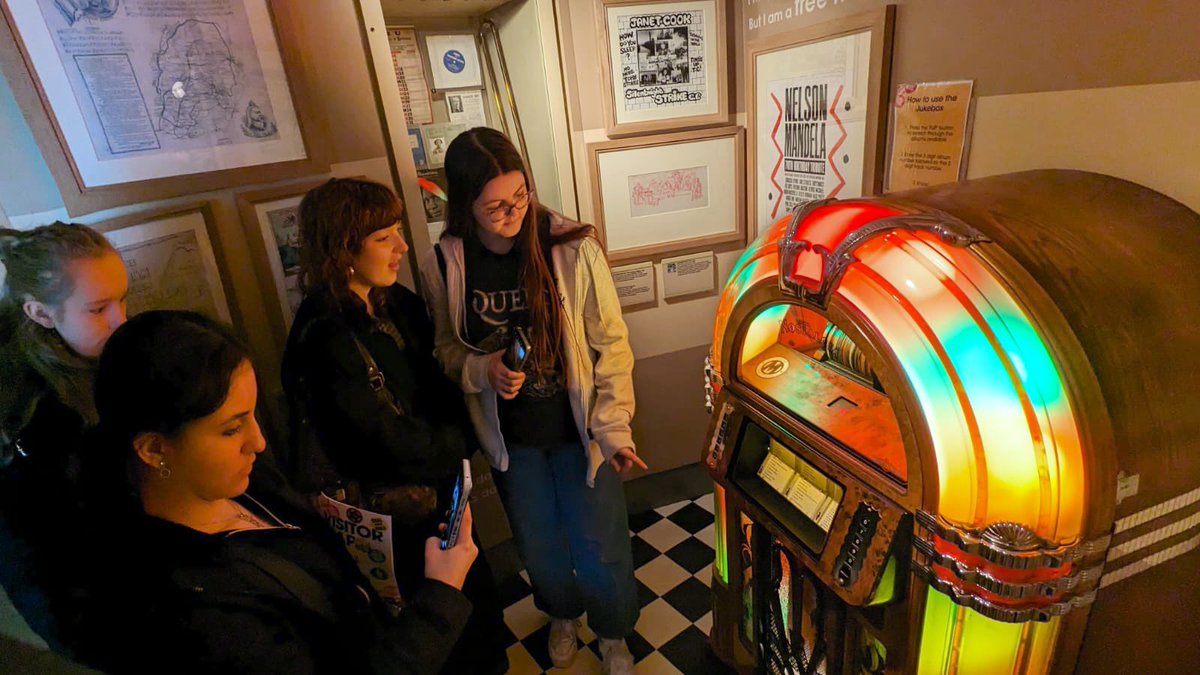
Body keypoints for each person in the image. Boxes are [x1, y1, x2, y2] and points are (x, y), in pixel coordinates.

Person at [80, 310, 479, 674]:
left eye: (252, 415)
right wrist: (440, 598)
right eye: (231, 428)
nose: (257, 441)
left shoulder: (239, 483)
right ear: (153, 448)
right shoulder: (189, 610)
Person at [422, 127, 647, 674]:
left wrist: (614, 427)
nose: (512, 213)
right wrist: (483, 369)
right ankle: (561, 614)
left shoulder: (569, 245)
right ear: (463, 204)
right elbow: (446, 350)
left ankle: (613, 632)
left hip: (578, 430)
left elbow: (610, 342)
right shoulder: (447, 261)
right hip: (513, 440)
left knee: (602, 544)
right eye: (494, 205)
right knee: (540, 544)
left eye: (520, 196)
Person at [280, 177, 508, 674]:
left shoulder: (391, 301)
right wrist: (459, 440)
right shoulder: (324, 337)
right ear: (342, 248)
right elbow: (381, 443)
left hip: (441, 495)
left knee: (475, 614)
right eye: (385, 237)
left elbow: (439, 375)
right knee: (445, 634)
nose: (403, 246)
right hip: (400, 521)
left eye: (398, 231)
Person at [0, 222, 128, 653]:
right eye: (98, 309)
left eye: (123, 300)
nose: (120, 320)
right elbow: (43, 570)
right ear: (39, 313)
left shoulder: (95, 361)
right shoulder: (32, 420)